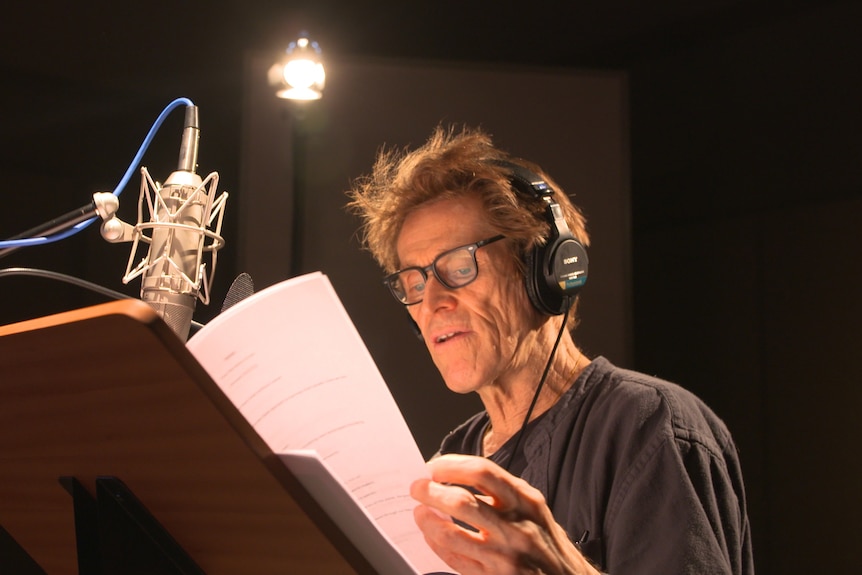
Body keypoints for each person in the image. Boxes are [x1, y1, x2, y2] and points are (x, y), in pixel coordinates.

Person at [347, 125, 754, 575]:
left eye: (460, 267)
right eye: (414, 281)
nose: (432, 302)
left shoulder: (646, 425)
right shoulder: (452, 460)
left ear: (545, 271)